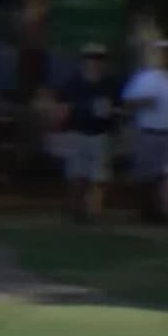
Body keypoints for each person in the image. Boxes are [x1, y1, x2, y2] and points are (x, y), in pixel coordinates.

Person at [51, 43, 122, 223]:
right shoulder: (72, 84)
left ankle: (94, 214)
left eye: (99, 59)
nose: (94, 62)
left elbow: (122, 109)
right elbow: (60, 109)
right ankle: (76, 212)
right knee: (77, 177)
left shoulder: (112, 84)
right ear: (83, 61)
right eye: (91, 58)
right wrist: (65, 113)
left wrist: (112, 111)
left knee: (99, 179)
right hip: (77, 134)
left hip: (102, 135)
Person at [121, 38, 168, 223]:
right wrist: (143, 102)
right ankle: (145, 213)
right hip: (148, 133)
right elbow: (127, 103)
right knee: (145, 176)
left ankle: (166, 213)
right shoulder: (145, 78)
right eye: (164, 53)